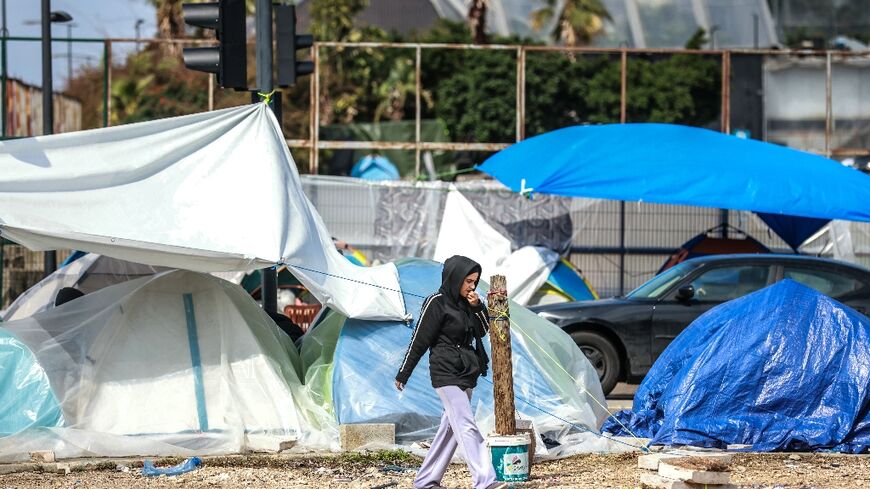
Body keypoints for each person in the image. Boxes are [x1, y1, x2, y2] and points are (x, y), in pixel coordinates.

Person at [395, 255, 505, 489]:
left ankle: (425, 481)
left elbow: (483, 331)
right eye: (468, 281)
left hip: (466, 371)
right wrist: (404, 373)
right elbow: (419, 340)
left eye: (475, 281)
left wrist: (478, 307)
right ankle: (486, 481)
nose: (472, 286)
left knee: (450, 429)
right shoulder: (436, 302)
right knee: (465, 423)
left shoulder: (469, 304)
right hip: (445, 371)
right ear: (455, 278)